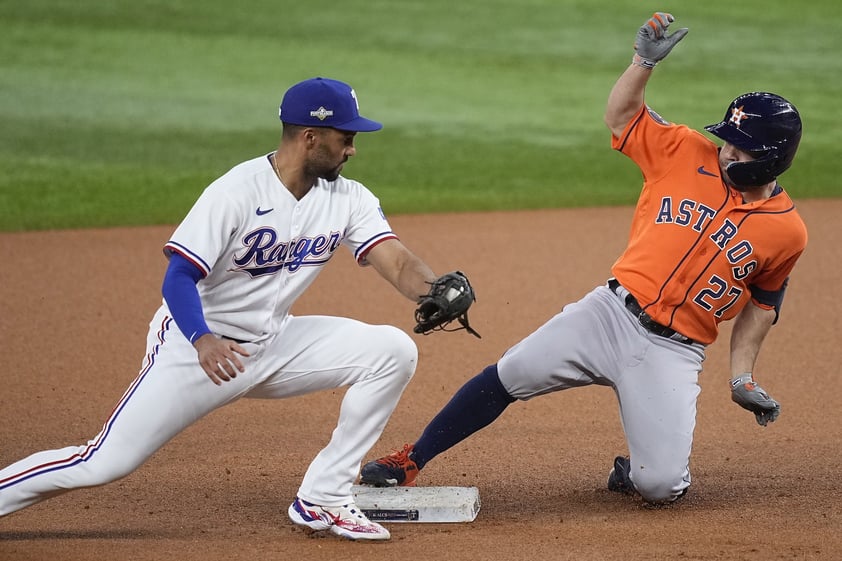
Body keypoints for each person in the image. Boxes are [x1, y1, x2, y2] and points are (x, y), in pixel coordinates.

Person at [360, 12, 807, 505]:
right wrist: (642, 64)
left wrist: (741, 376)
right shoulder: (683, 150)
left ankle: (634, 471)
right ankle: (413, 458)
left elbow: (762, 306)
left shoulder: (787, 231)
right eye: (726, 141)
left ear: (772, 157)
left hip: (674, 352)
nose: (726, 153)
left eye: (741, 151)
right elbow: (622, 117)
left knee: (660, 488)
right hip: (609, 314)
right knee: (511, 373)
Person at [0, 77, 467, 541]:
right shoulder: (236, 192)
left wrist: (433, 288)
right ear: (310, 137)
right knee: (104, 461)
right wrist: (201, 339)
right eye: (345, 138)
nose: (352, 149)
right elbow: (179, 277)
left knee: (391, 351)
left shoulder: (349, 198)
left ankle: (324, 497)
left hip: (274, 344)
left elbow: (397, 259)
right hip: (199, 350)